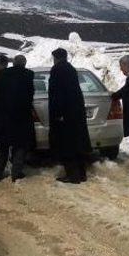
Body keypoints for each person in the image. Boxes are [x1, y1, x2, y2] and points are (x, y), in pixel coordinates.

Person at [0, 55, 35, 182]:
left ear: (13, 63)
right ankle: (17, 172)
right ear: (24, 64)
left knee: (2, 146)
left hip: (4, 117)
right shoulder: (29, 75)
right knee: (19, 145)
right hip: (21, 117)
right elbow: (30, 96)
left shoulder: (3, 73)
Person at [48, 47, 92, 183]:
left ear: (56, 58)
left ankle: (72, 176)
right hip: (76, 113)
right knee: (77, 145)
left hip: (64, 115)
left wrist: (57, 113)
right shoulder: (71, 69)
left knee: (66, 145)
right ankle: (82, 174)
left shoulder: (57, 70)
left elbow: (57, 94)